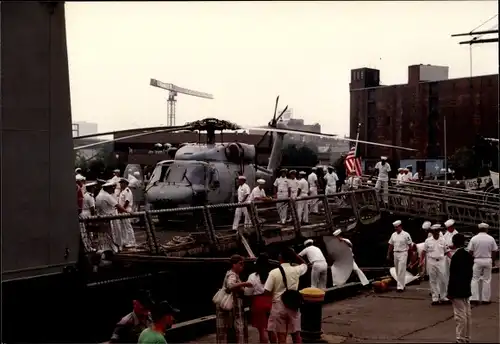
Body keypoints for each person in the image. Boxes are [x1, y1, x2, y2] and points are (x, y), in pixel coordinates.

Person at [264, 247, 308, 344]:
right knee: (296, 335)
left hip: (278, 306)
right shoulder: (297, 270)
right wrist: (296, 255)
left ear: (280, 257)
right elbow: (305, 265)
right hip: (292, 304)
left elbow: (266, 291)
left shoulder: (273, 273)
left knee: (281, 336)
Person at [216, 255, 252, 344]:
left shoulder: (234, 274)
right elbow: (230, 285)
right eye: (240, 264)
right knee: (236, 327)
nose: (242, 266)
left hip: (232, 306)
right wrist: (244, 284)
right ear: (233, 264)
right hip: (232, 306)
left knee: (228, 328)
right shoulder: (232, 275)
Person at [447, 233, 474, 344]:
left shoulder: (456, 257)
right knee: (467, 314)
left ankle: (460, 338)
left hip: (457, 289)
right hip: (466, 287)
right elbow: (470, 273)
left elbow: (453, 276)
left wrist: (450, 292)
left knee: (460, 315)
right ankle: (466, 337)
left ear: (454, 243)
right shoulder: (468, 255)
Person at [467, 222, 498, 305]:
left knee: (475, 279)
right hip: (487, 260)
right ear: (486, 229)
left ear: (479, 229)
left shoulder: (474, 238)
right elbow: (494, 251)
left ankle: (474, 298)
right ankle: (485, 299)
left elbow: (470, 251)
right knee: (487, 280)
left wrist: (470, 261)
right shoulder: (491, 238)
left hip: (477, 260)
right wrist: (493, 261)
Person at [244, 254, 273, 344]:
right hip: (271, 301)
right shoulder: (272, 274)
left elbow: (247, 292)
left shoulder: (252, 276)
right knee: (271, 329)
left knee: (262, 329)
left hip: (258, 302)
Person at [420, 224, 450, 305]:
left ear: (439, 232)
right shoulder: (428, 241)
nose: (436, 233)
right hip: (431, 261)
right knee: (433, 280)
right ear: (432, 232)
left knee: (443, 279)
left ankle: (443, 297)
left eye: (437, 231)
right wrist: (421, 261)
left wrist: (453, 259)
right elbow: (424, 252)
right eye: (434, 232)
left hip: (441, 261)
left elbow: (447, 252)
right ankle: (435, 298)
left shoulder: (443, 240)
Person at [96, 181, 128, 252]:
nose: (113, 189)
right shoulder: (106, 196)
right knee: (115, 233)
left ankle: (107, 249)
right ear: (108, 188)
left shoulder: (99, 195)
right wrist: (128, 212)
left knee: (105, 235)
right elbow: (118, 206)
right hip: (110, 218)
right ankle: (116, 248)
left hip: (102, 217)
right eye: (112, 188)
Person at [387, 220, 412, 292]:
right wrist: (388, 253)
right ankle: (402, 284)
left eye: (397, 227)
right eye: (395, 227)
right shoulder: (393, 235)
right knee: (398, 270)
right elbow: (391, 245)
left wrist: (410, 255)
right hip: (395, 253)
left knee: (401, 269)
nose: (396, 229)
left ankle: (400, 287)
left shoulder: (406, 234)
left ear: (400, 226)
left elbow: (410, 245)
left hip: (403, 252)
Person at [119, 178, 137, 248]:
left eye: (122, 183)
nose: (121, 184)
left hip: (126, 210)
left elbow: (127, 202)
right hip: (123, 210)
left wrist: (122, 209)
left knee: (128, 226)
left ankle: (132, 242)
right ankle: (125, 241)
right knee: (123, 227)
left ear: (126, 183)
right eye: (120, 183)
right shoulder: (123, 191)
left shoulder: (127, 191)